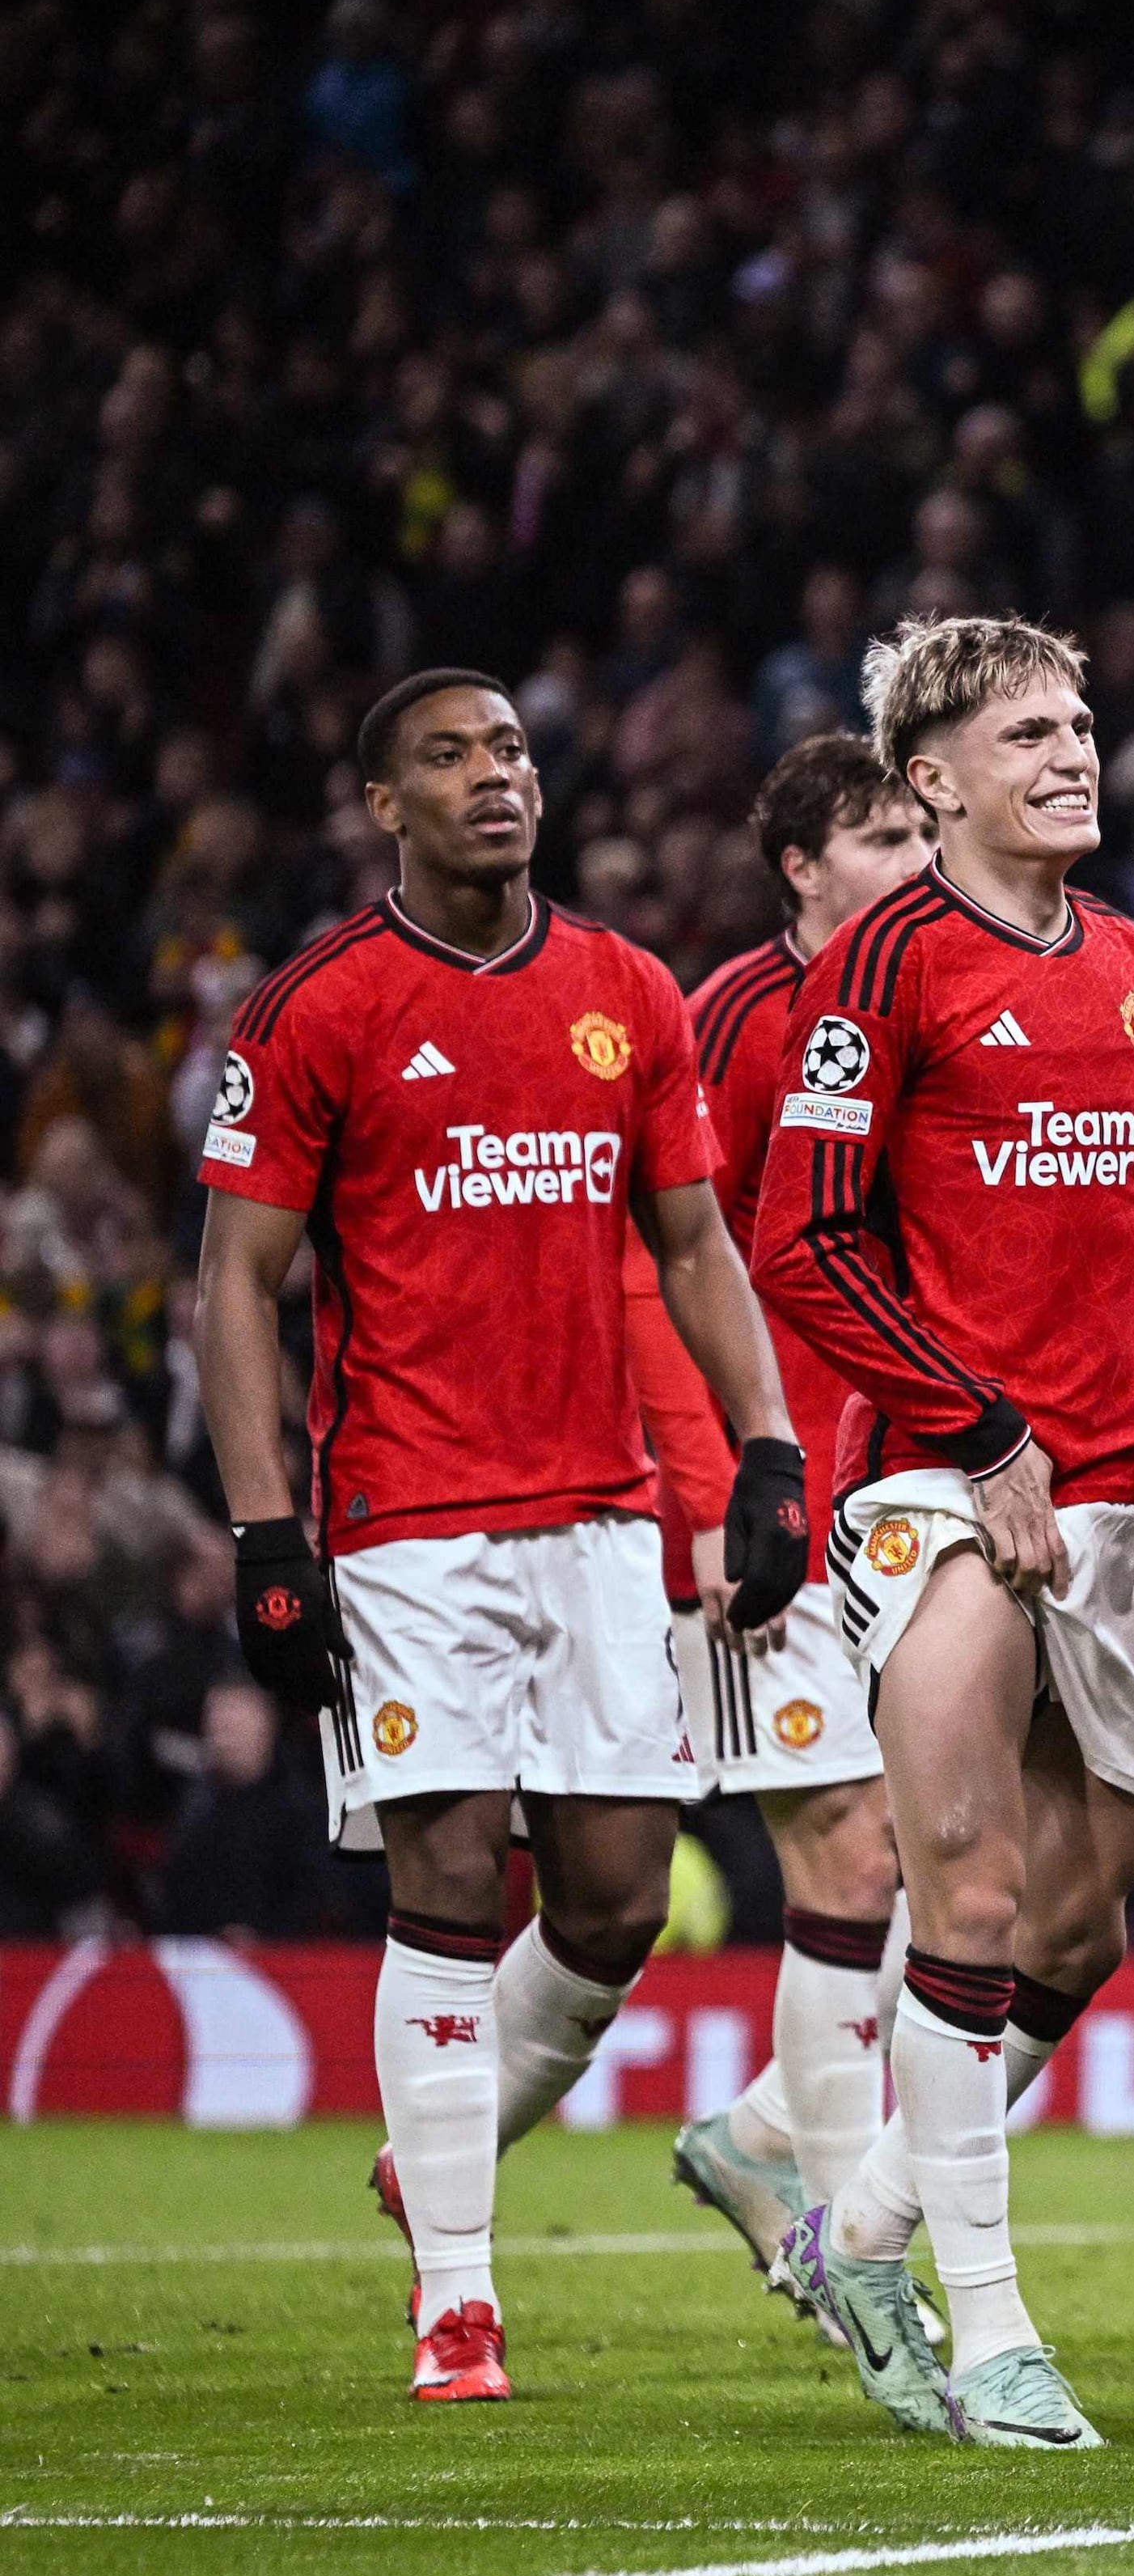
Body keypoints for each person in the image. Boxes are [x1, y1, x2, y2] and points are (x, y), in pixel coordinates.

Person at [755, 614, 1134, 2451]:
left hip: (1115, 1485)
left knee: (1082, 1922)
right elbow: (807, 1235)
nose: (1076, 750)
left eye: (1085, 720)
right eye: (1029, 729)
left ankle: (864, 2225)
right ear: (931, 779)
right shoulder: (878, 964)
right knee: (959, 1885)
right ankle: (995, 2330)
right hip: (940, 1478)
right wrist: (976, 1432)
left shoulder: (1127, 954)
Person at [193, 668, 810, 2405]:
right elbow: (238, 1282)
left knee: (613, 1904)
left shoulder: (623, 992)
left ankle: (434, 2148)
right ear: (383, 802)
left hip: (605, 1517)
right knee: (449, 1880)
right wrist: (266, 1526)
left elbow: (693, 1243)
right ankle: (456, 2300)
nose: (497, 777)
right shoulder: (316, 1008)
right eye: (453, 756)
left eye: (517, 748)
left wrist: (763, 1446)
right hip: (408, 1524)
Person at [658, 735, 937, 2286]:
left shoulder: (940, 985)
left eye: (921, 830)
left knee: (966, 1853)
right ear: (801, 867)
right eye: (883, 836)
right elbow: (667, 1263)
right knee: (850, 1859)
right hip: (776, 1501)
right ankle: (849, 2253)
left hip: (913, 1480)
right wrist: (712, 1489)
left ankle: (769, 2130)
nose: (913, 857)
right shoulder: (731, 1024)